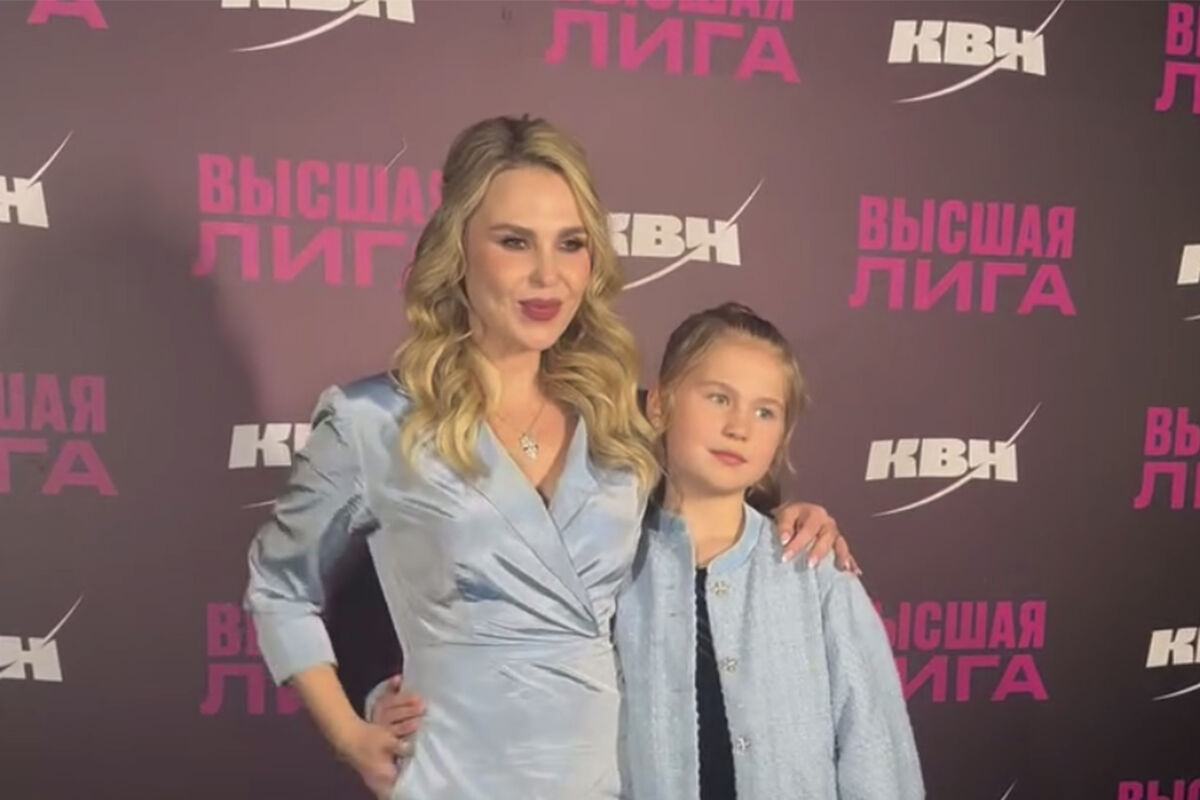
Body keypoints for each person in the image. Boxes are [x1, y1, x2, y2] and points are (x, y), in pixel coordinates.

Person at [244, 115, 855, 800]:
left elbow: (717, 506)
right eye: (514, 242)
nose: (547, 275)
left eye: (571, 244)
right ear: (457, 250)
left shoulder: (620, 417)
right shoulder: (372, 422)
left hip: (607, 780)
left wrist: (797, 519)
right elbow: (277, 589)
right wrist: (350, 736)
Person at [614, 302, 924, 799]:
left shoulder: (814, 568)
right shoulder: (610, 565)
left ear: (781, 437)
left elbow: (875, 746)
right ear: (660, 405)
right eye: (718, 398)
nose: (739, 427)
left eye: (765, 412)